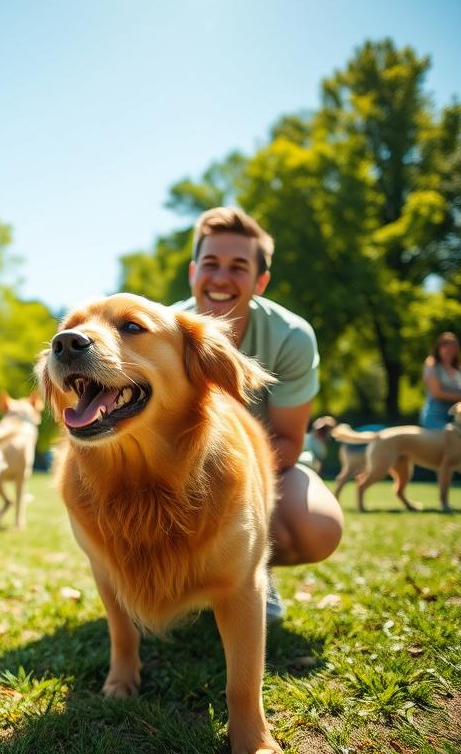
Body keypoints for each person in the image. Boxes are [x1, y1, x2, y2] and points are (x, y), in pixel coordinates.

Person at [173, 206, 344, 622]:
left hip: (266, 469)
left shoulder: (291, 337)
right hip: (175, 470)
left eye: (238, 266)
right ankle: (174, 587)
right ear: (194, 272)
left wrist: (224, 482)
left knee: (317, 527)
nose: (220, 278)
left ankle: (251, 570)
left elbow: (288, 441)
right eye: (211, 264)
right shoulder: (159, 331)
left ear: (260, 281)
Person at [420, 332, 461, 429]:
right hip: (436, 415)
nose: (449, 349)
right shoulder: (432, 364)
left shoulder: (459, 368)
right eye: (446, 345)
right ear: (438, 348)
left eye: (453, 346)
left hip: (457, 416)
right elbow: (436, 393)